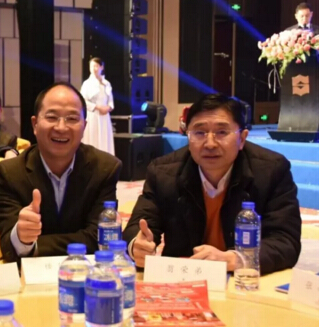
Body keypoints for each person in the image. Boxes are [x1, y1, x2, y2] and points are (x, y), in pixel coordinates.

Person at [123, 94, 301, 275]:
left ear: (242, 139)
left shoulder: (271, 170)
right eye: (199, 133)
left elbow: (285, 241)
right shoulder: (163, 172)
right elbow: (138, 227)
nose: (210, 144)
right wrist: (137, 246)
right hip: (183, 279)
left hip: (243, 280)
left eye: (222, 132)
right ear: (188, 136)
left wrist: (236, 259)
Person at [0, 82, 122, 262]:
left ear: (84, 126)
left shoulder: (105, 168)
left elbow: (98, 238)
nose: (61, 127)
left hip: (85, 273)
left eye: (72, 118)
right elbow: (9, 246)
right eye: (52, 117)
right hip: (29, 276)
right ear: (35, 124)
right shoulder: (9, 174)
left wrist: (35, 245)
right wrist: (21, 237)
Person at [80, 57, 115, 155]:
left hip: (104, 117)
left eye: (96, 66)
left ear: (101, 67)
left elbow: (110, 101)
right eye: (91, 66)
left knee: (105, 139)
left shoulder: (107, 83)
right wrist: (97, 107)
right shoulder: (87, 84)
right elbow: (83, 101)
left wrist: (108, 107)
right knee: (93, 138)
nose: (94, 69)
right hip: (93, 116)